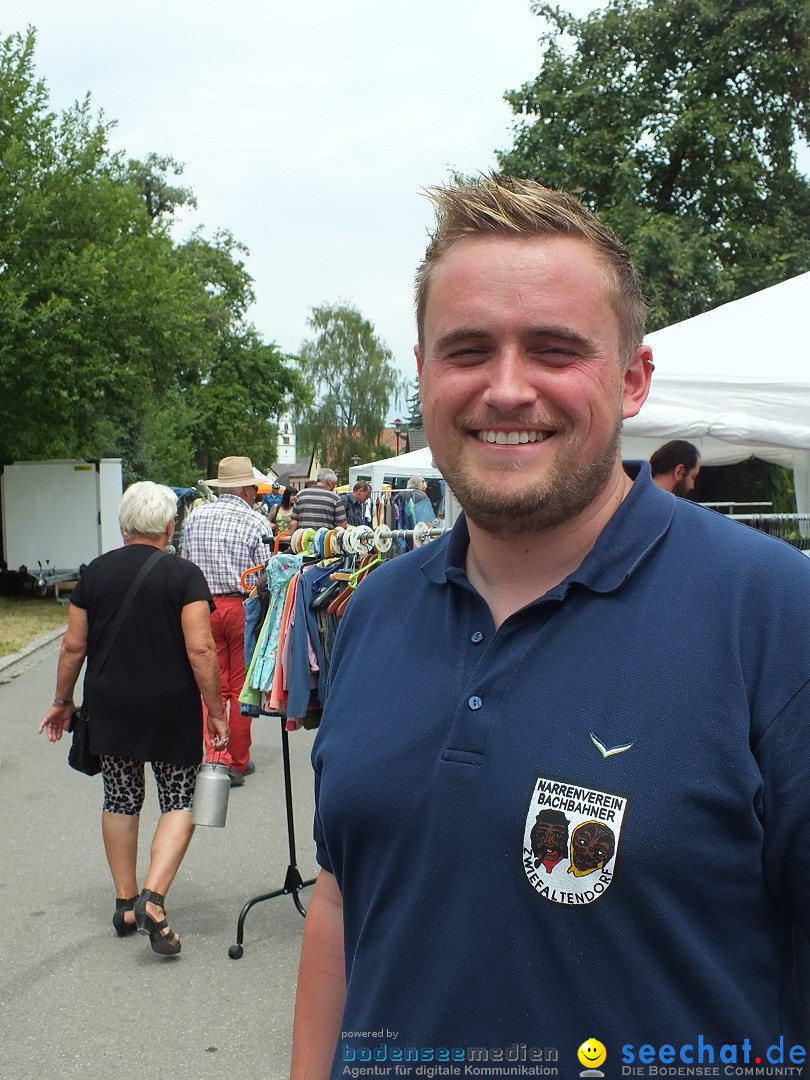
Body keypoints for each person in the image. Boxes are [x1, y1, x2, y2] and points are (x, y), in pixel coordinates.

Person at [291, 175, 810, 1077]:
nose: (506, 388)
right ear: (422, 375)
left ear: (634, 378)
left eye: (555, 349)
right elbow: (341, 901)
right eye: (467, 350)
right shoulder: (373, 609)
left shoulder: (775, 615)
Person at [38, 482, 228, 956]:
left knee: (121, 797)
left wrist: (63, 700)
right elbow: (201, 648)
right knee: (178, 799)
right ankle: (154, 899)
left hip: (111, 703)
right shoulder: (185, 575)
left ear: (124, 527)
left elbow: (73, 645)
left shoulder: (94, 574)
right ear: (169, 526)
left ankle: (125, 902)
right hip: (170, 706)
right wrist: (217, 710)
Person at [181, 455, 270, 786]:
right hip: (241, 606)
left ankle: (216, 756)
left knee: (211, 685)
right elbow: (266, 574)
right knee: (241, 686)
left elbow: (185, 564)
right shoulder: (256, 522)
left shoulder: (194, 518)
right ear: (247, 489)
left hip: (201, 608)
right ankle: (238, 761)